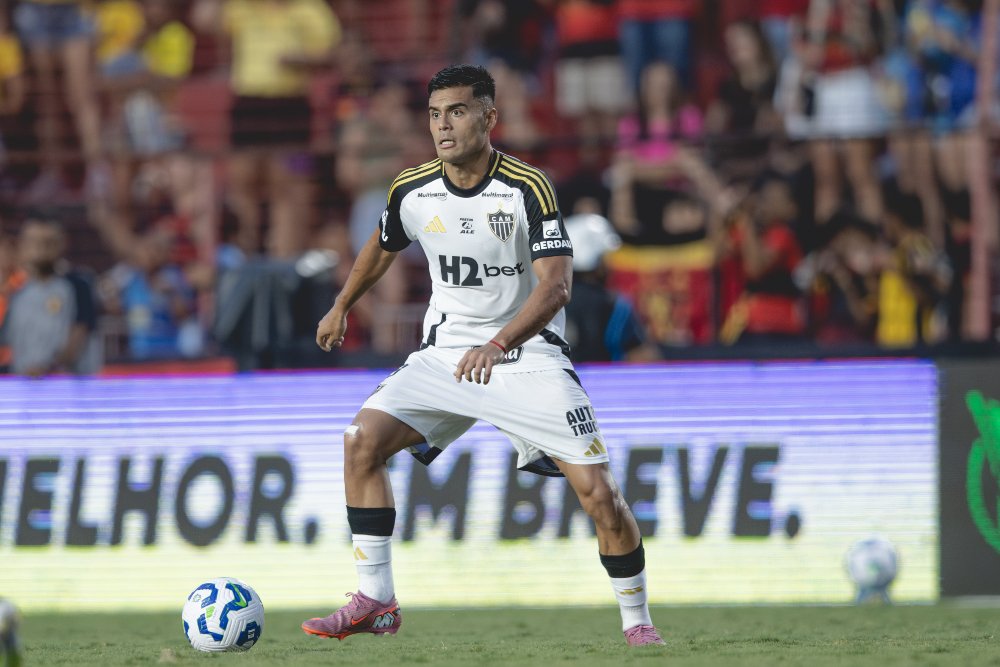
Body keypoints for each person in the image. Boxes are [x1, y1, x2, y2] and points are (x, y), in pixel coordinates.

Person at [301, 64, 664, 647]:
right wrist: (342, 304)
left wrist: (498, 344)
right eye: (435, 114)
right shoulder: (412, 189)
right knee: (359, 442)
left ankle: (638, 623)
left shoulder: (528, 188)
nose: (443, 126)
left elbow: (556, 288)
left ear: (489, 117)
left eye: (458, 111)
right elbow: (383, 243)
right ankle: (377, 600)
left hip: (527, 356)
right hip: (446, 355)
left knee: (600, 494)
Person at [2, 215, 100, 376]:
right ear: (22, 245)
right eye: (34, 242)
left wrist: (47, 369)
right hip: (23, 387)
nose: (40, 250)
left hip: (65, 388)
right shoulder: (16, 293)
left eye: (47, 243)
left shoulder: (78, 286)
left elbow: (78, 336)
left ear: (61, 244)